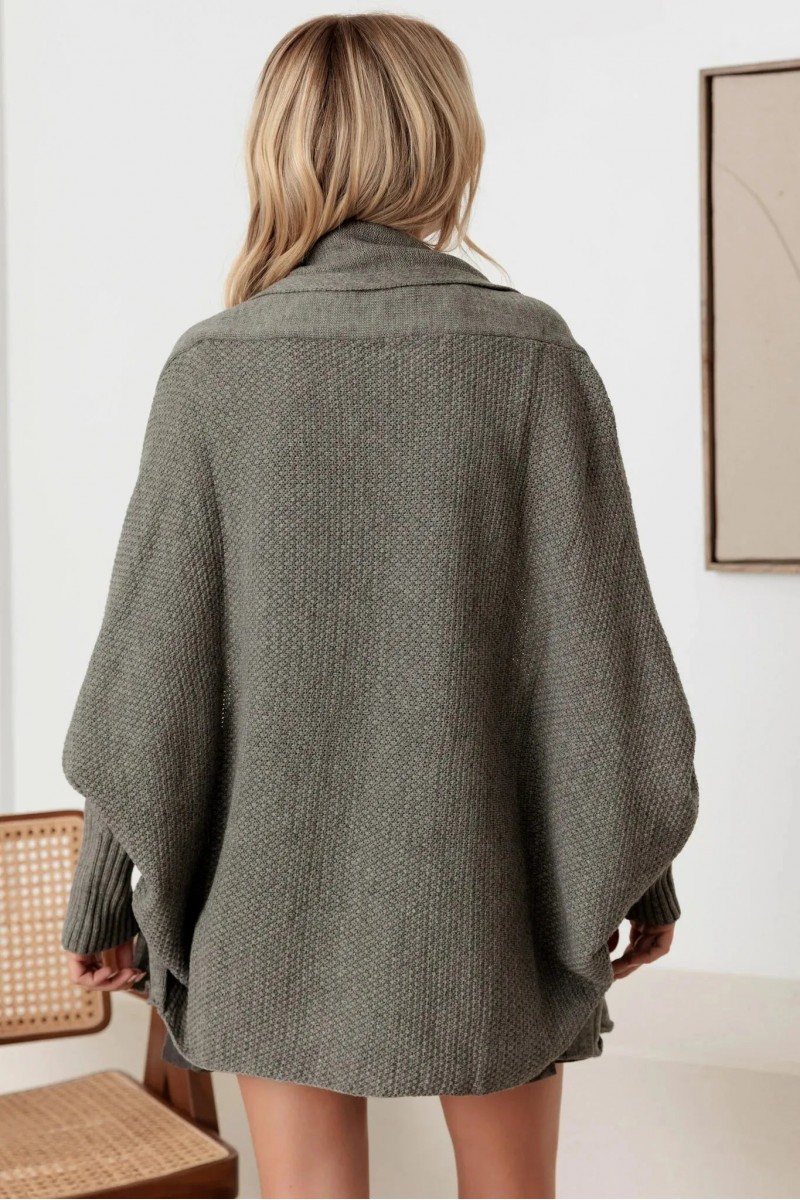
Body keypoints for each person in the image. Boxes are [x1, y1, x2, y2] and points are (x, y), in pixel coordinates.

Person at [60, 12, 699, 1199]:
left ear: (276, 148)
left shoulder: (214, 368)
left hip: (267, 899)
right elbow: (597, 652)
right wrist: (637, 876)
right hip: (488, 893)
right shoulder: (531, 356)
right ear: (444, 139)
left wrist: (104, 898)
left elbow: (149, 666)